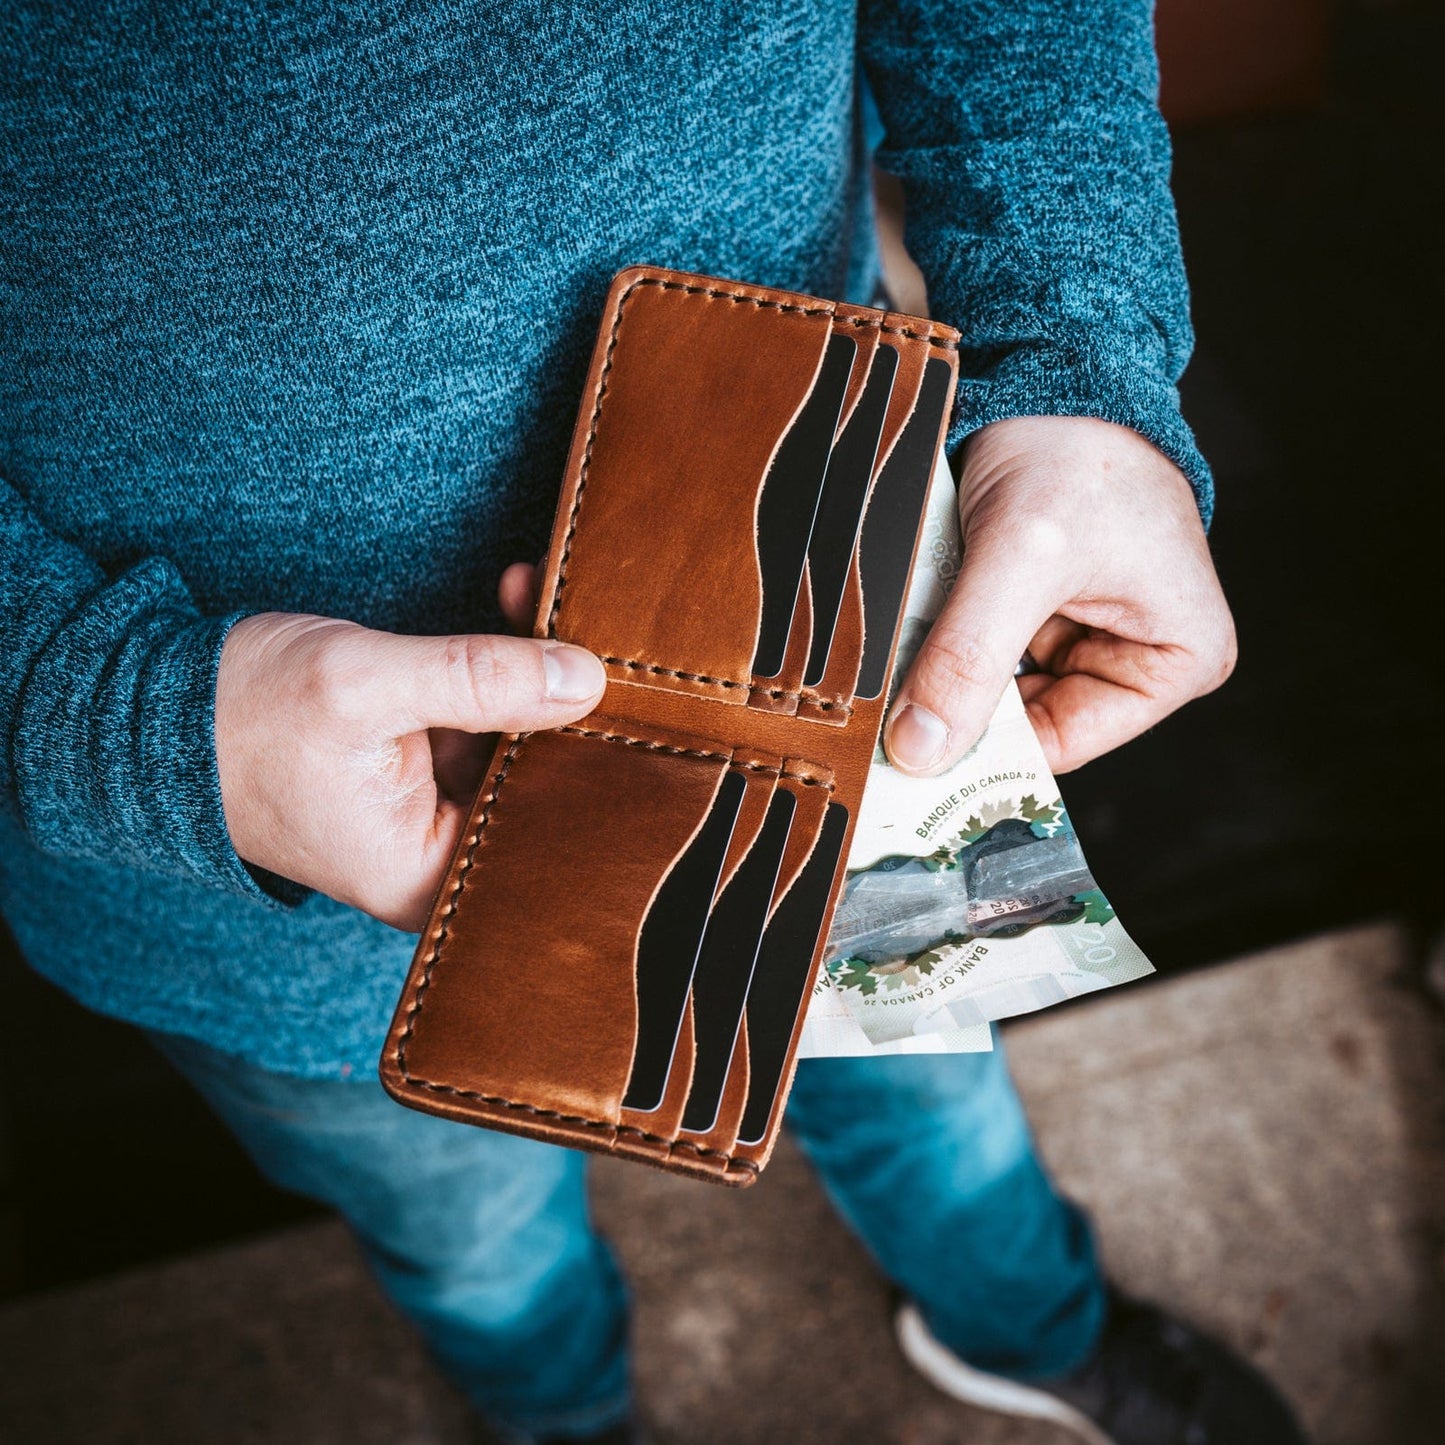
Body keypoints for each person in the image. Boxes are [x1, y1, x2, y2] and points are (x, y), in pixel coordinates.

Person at [1, 4, 1305, 1443]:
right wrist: (118, 710)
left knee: (934, 1088)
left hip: (820, 617)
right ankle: (567, 1423)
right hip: (235, 856)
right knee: (472, 1232)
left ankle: (1030, 1321)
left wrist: (1080, 353)